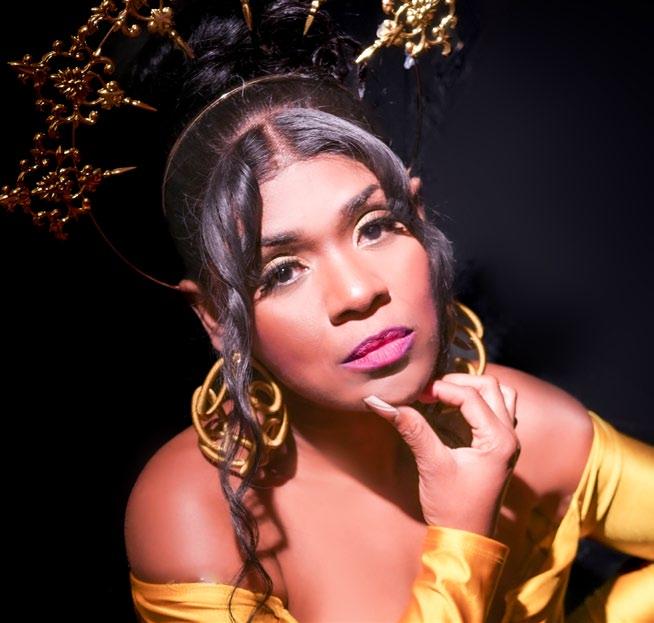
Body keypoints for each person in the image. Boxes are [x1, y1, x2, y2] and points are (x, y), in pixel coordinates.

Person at [2, 2, 652, 622]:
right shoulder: (193, 512)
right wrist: (463, 540)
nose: (357, 292)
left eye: (375, 227)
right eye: (282, 271)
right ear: (216, 318)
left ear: (418, 219)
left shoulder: (530, 429)